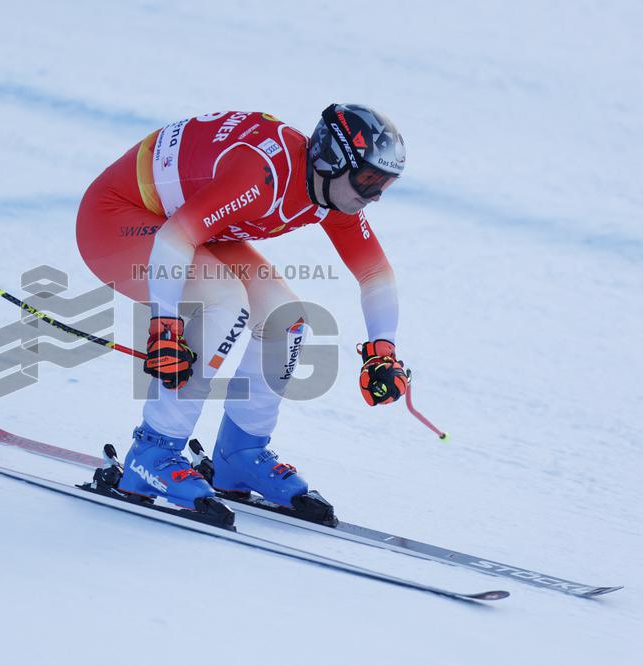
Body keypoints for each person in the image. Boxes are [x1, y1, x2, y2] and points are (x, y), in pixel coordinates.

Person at [75, 105, 410, 518]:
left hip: (185, 225)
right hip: (117, 221)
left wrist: (384, 350)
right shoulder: (264, 174)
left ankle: (240, 452)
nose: (374, 195)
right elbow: (176, 236)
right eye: (368, 178)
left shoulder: (331, 190)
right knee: (224, 302)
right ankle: (153, 449)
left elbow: (375, 273)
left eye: (385, 183)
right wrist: (165, 323)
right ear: (332, 159)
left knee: (286, 318)